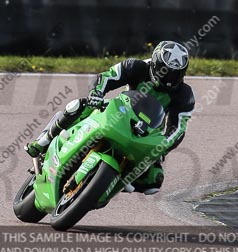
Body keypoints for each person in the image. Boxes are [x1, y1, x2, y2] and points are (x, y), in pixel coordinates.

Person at [25, 40, 195, 194]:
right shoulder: (136, 67)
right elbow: (107, 77)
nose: (168, 78)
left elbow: (178, 128)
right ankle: (43, 141)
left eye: (174, 74)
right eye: (165, 72)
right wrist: (96, 92)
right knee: (79, 106)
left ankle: (109, 183)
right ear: (155, 64)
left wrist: (164, 145)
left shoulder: (184, 95)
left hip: (147, 133)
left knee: (154, 181)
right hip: (120, 112)